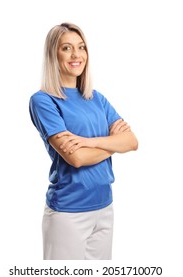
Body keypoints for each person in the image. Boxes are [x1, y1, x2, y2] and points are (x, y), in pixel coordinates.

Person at [29, 22, 138, 260]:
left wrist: (88, 142)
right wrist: (112, 142)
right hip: (68, 212)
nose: (76, 55)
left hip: (104, 206)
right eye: (66, 48)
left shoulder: (96, 98)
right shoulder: (44, 101)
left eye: (81, 47)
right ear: (53, 55)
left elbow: (131, 142)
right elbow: (76, 158)